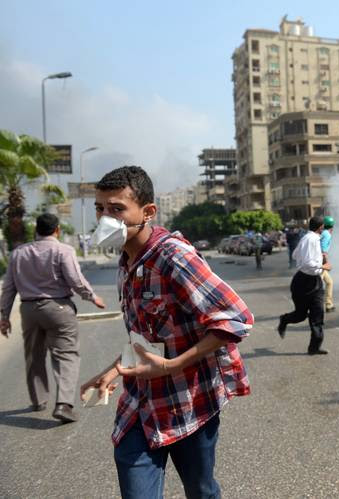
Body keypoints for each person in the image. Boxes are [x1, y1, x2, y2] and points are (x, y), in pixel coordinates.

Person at [79, 166, 253, 498]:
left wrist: (172, 366)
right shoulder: (127, 260)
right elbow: (147, 336)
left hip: (189, 401)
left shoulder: (173, 257)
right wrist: (113, 370)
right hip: (141, 402)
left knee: (200, 489)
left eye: (117, 209)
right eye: (100, 209)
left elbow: (235, 318)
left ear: (147, 213)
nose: (105, 218)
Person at [0, 213, 106, 423]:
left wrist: (4, 316)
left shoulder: (18, 253)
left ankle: (39, 400)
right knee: (66, 355)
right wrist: (92, 297)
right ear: (57, 230)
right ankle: (63, 404)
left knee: (34, 356)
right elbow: (75, 280)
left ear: (35, 231)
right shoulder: (63, 250)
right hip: (58, 308)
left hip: (28, 310)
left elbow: (9, 288)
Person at [277, 216, 330, 355]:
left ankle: (314, 347)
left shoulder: (307, 239)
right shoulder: (310, 239)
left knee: (317, 314)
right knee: (300, 315)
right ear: (320, 228)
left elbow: (295, 255)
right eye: (323, 226)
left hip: (314, 281)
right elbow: (307, 263)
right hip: (303, 281)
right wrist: (323, 266)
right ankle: (284, 320)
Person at [320, 215, 335, 312]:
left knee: (329, 282)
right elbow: (323, 251)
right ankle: (314, 306)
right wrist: (326, 263)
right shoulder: (327, 234)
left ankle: (329, 305)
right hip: (320, 263)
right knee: (316, 285)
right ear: (332, 226)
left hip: (320, 262)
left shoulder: (323, 233)